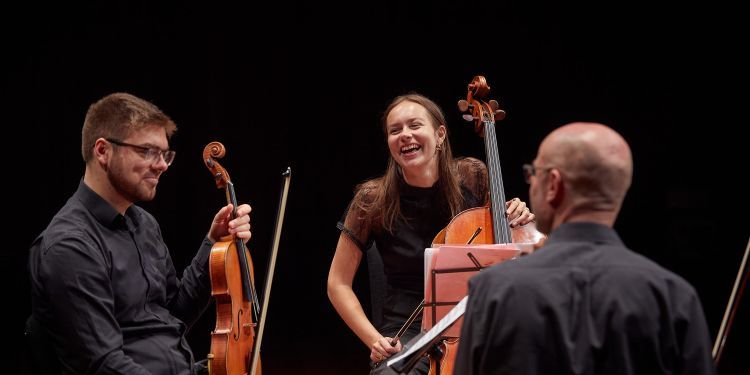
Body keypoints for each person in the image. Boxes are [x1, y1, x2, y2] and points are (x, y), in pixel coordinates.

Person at [454, 122, 716, 374]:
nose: (530, 183)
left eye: (533, 174)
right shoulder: (674, 297)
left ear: (553, 185)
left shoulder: (494, 290)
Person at [28, 92, 252, 374]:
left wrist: (214, 244)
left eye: (165, 154)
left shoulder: (144, 224)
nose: (161, 165)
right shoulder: (70, 247)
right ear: (102, 151)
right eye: (147, 151)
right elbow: (105, 365)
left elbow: (172, 314)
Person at [327, 93, 536, 374]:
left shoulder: (472, 176)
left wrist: (515, 215)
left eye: (414, 125)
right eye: (395, 130)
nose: (405, 135)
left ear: (439, 135)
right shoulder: (371, 199)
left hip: (475, 320)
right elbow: (337, 283)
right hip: (410, 333)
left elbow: (499, 242)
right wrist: (375, 341)